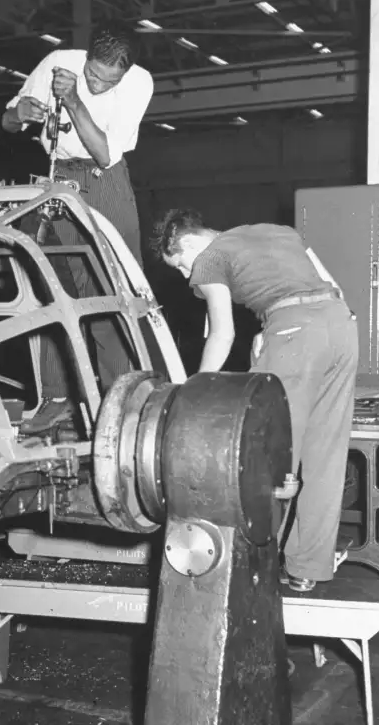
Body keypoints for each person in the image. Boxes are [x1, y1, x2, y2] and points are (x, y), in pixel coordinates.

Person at [150, 209, 358, 592]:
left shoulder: (210, 257)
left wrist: (191, 395)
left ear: (191, 244)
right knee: (326, 453)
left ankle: (252, 564)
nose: (186, 276)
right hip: (342, 326)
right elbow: (334, 286)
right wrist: (271, 328)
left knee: (263, 455)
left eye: (181, 265)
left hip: (297, 333)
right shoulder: (279, 232)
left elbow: (222, 334)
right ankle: (306, 568)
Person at [2, 23, 154, 433]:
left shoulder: (139, 83)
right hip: (56, 176)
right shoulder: (57, 63)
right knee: (54, 289)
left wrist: (74, 100)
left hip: (105, 181)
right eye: (92, 76)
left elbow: (105, 154)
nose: (100, 86)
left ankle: (120, 400)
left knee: (110, 291)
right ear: (84, 58)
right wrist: (21, 112)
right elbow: (7, 122)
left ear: (124, 74)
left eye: (110, 82)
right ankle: (56, 398)